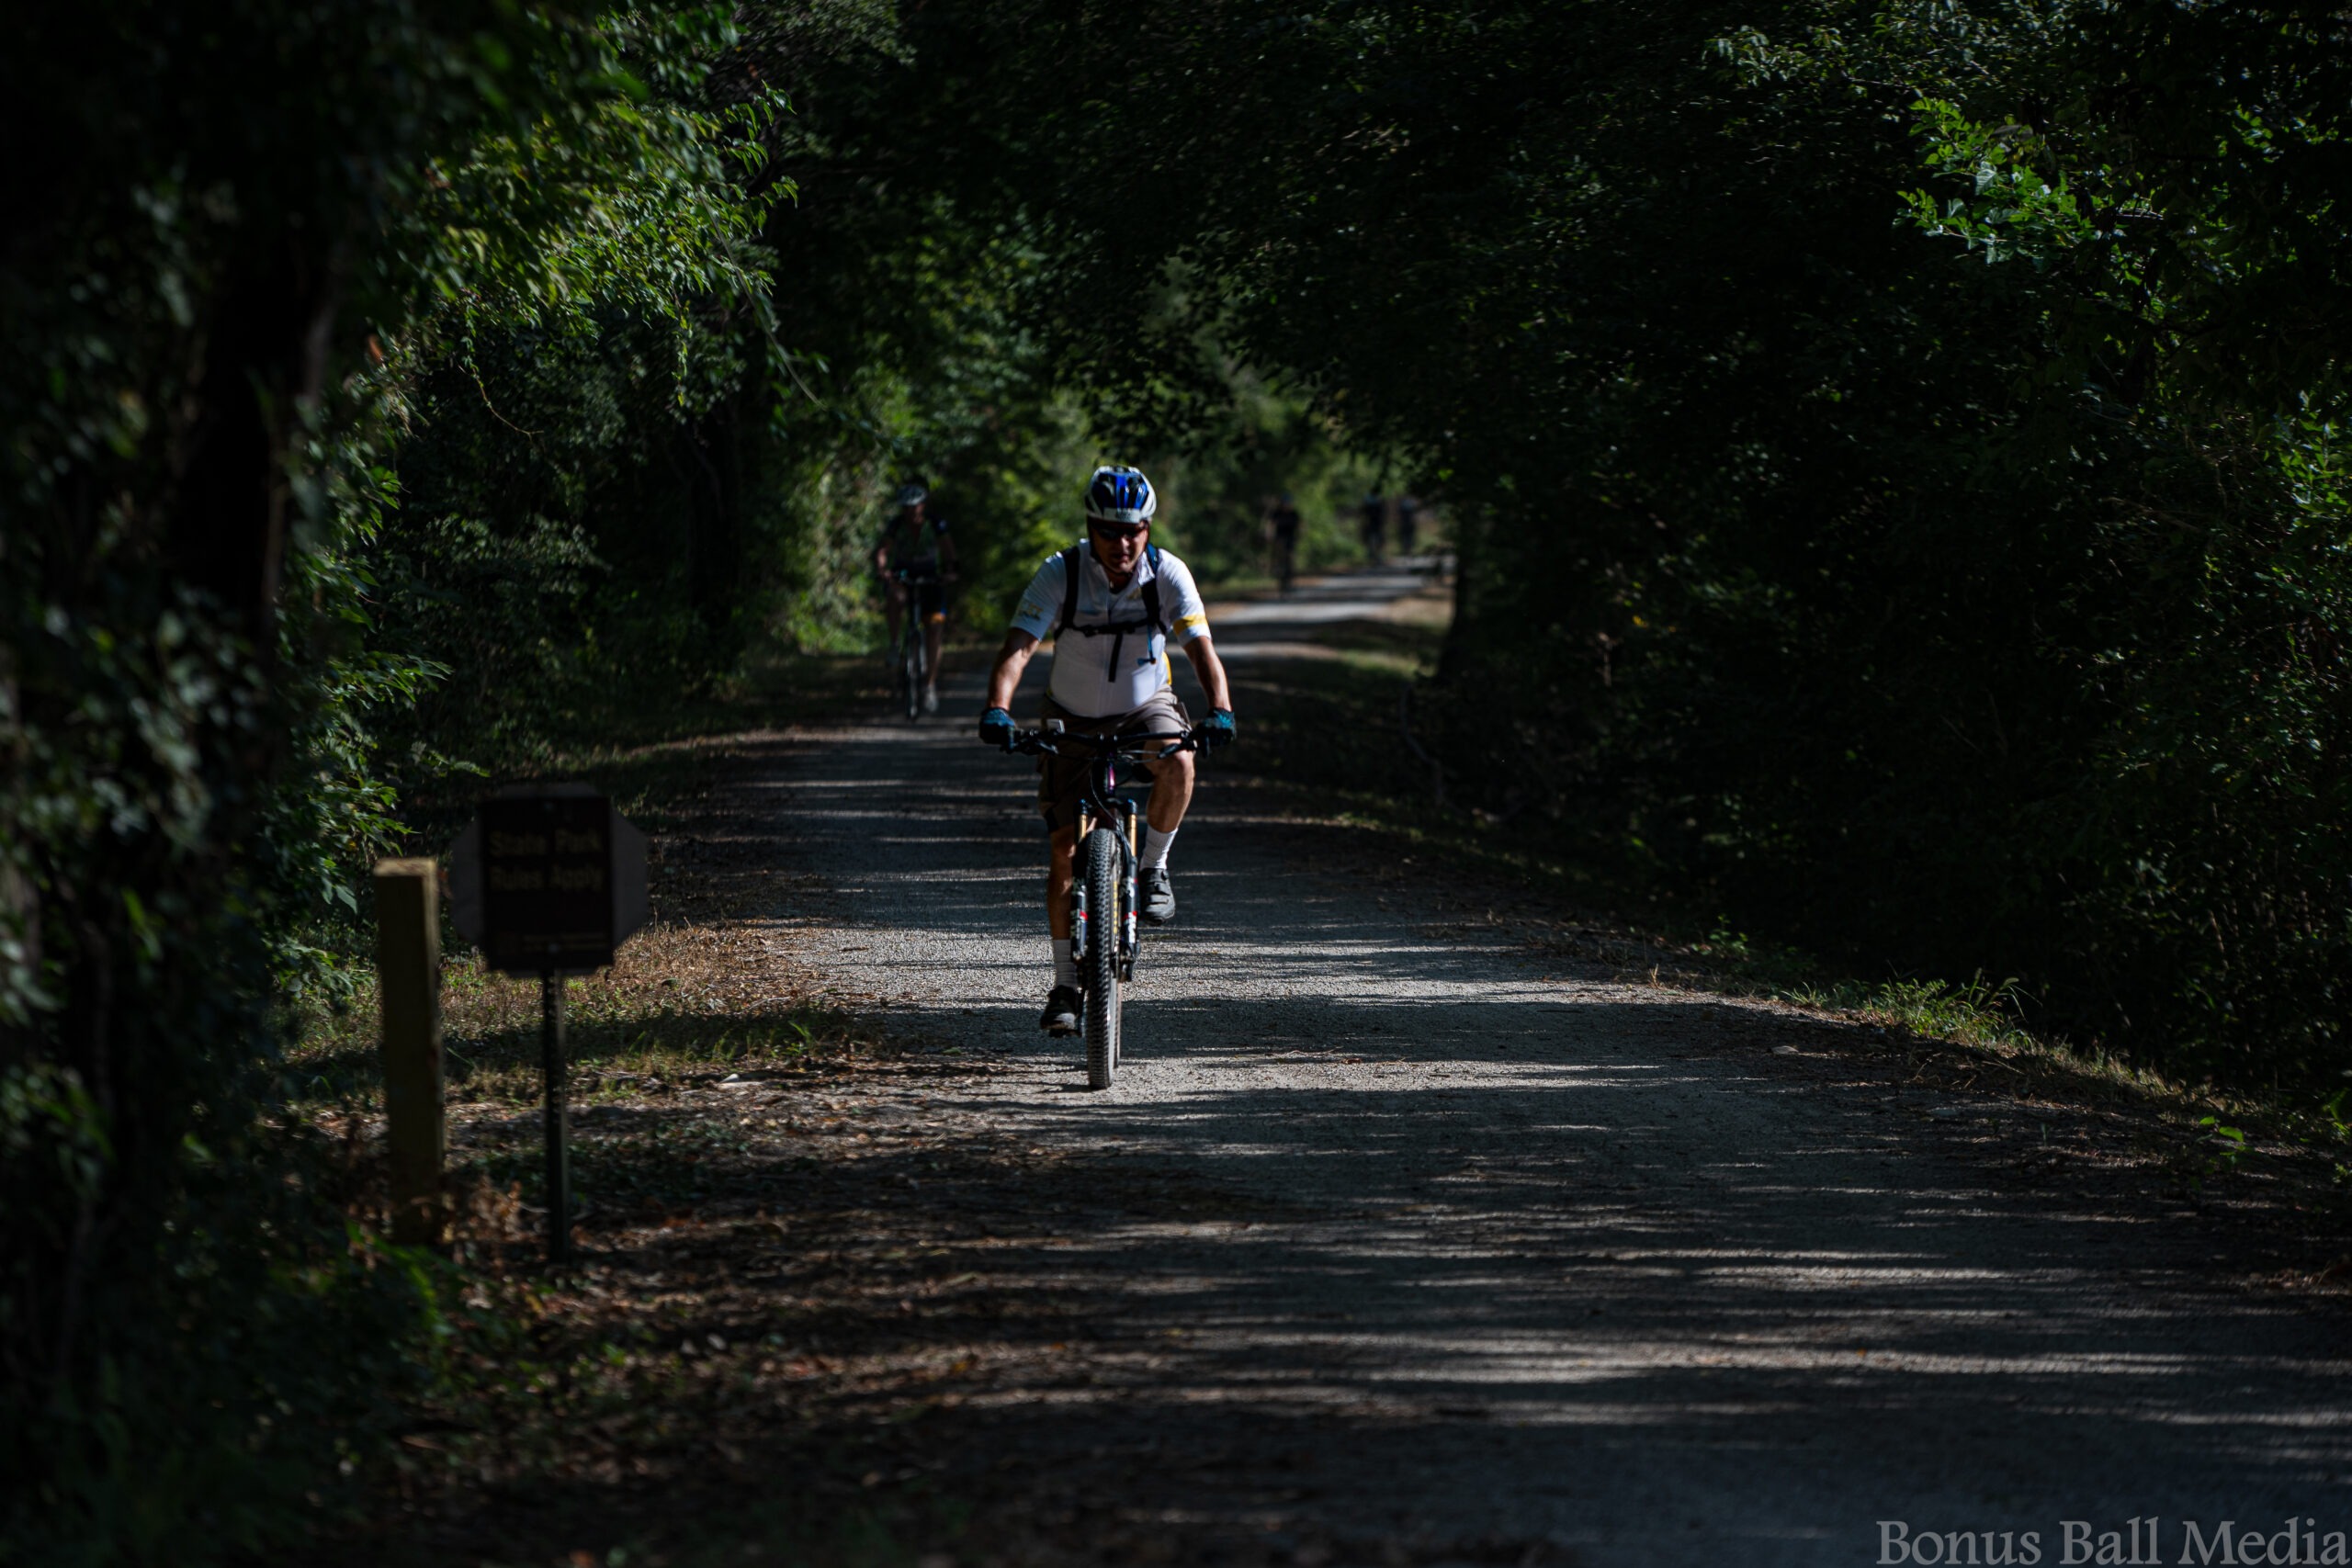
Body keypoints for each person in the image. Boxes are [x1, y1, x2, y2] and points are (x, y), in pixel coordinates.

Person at [978, 465, 1236, 1035]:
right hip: (1070, 713)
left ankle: (1154, 868)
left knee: (1179, 759)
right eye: (1109, 531)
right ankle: (1067, 983)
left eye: (1133, 531)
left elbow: (1200, 650)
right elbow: (1019, 648)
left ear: (1147, 528)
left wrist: (1221, 709)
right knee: (1064, 854)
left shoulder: (1167, 573)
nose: (1122, 544)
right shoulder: (1060, 573)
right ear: (1090, 528)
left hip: (1145, 703)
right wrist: (998, 707)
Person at [874, 483, 956, 713]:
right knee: (894, 596)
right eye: (906, 507)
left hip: (930, 577)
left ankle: (929, 684)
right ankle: (894, 644)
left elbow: (948, 550)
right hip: (903, 574)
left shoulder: (935, 524)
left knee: (934, 629)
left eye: (914, 506)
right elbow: (883, 551)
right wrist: (882, 570)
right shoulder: (896, 525)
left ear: (923, 505)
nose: (911, 512)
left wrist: (950, 570)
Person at [1265, 491, 1302, 594]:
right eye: (1285, 503)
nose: (1286, 505)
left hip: (1291, 538)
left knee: (1290, 558)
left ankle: (1289, 579)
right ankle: (1275, 569)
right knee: (1278, 554)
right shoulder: (1276, 513)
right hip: (1279, 538)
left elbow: (1300, 526)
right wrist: (1269, 535)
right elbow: (1270, 524)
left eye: (1288, 503)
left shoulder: (1294, 513)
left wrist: (1300, 535)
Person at [1358, 491, 1386, 565]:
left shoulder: (1368, 500)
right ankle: (1376, 557)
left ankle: (1375, 557)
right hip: (1374, 525)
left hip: (1372, 525)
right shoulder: (1379, 501)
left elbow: (1362, 513)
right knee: (1376, 542)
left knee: (1373, 542)